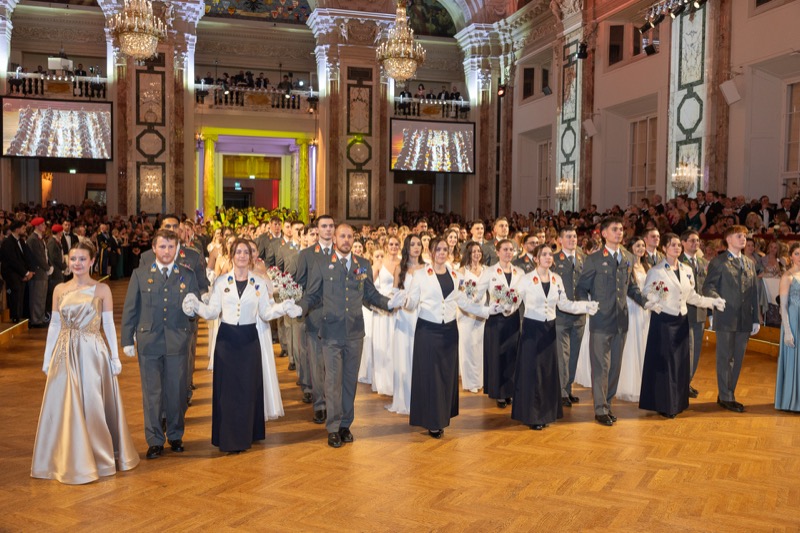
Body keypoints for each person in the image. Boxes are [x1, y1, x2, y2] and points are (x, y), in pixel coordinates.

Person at [31, 241, 140, 484]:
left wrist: (114, 357)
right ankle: (65, 459)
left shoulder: (102, 290)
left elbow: (108, 324)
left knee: (92, 404)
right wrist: (47, 358)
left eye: (82, 259)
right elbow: (55, 325)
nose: (77, 263)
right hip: (64, 352)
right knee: (65, 405)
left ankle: (99, 458)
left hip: (92, 352)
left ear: (92, 261)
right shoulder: (59, 289)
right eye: (73, 259)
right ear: (68, 261)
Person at [296, 224, 404, 448]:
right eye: (342, 236)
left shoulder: (362, 264)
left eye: (349, 236)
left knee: (349, 381)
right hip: (331, 333)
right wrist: (299, 307)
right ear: (335, 239)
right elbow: (313, 294)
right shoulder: (322, 264)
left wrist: (389, 303)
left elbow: (370, 294)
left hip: (354, 332)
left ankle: (346, 424)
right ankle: (333, 427)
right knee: (332, 382)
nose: (346, 240)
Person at [183, 239, 295, 452]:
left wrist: (283, 308)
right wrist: (196, 306)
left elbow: (265, 313)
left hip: (249, 340)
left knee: (247, 390)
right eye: (238, 252)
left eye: (246, 252)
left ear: (251, 257)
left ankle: (246, 436)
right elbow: (212, 312)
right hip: (227, 341)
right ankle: (228, 437)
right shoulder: (221, 282)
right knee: (227, 392)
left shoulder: (258, 282)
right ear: (232, 256)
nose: (242, 255)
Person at [121, 229, 201, 459]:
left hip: (177, 341)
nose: (167, 251)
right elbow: (131, 308)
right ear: (154, 248)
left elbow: (195, 308)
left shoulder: (187, 275)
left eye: (171, 246)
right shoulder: (140, 274)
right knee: (152, 393)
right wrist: (127, 339)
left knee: (176, 392)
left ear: (177, 249)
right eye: (163, 246)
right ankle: (155, 439)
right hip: (149, 341)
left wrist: (193, 311)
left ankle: (175, 435)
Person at [510, 244, 598, 430]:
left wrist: (585, 306)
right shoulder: (525, 279)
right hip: (532, 330)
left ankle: (546, 413)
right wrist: (503, 306)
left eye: (550, 254)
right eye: (544, 254)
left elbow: (564, 304)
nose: (548, 257)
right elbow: (514, 303)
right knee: (533, 373)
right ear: (536, 258)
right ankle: (532, 416)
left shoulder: (556, 279)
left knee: (547, 373)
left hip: (549, 330)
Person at [405, 237, 486, 438]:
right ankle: (432, 420)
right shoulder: (420, 275)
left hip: (449, 331)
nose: (441, 252)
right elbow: (412, 303)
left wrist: (487, 311)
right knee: (430, 376)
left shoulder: (456, 275)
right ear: (431, 253)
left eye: (444, 249)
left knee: (445, 376)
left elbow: (465, 302)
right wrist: (403, 300)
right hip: (428, 331)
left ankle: (441, 417)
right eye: (438, 249)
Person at [638, 233, 723, 418]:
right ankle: (664, 404)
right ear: (664, 248)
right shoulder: (656, 270)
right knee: (665, 364)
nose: (677, 248)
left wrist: (711, 302)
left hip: (681, 320)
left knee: (680, 363)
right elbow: (646, 293)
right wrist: (653, 301)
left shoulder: (686, 269)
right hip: (663, 320)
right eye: (673, 245)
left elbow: (692, 296)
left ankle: (678, 403)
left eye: (678, 245)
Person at [575, 216, 646, 426]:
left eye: (621, 229)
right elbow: (581, 287)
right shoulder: (594, 259)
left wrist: (646, 301)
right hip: (601, 319)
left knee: (615, 366)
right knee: (601, 367)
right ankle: (600, 409)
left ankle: (607, 403)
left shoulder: (627, 257)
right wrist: (586, 305)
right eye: (615, 229)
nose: (619, 232)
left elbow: (631, 287)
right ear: (604, 233)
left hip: (620, 320)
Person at [703, 225, 761, 413]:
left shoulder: (749, 263)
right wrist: (715, 302)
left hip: (744, 318)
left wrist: (756, 318)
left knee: (738, 358)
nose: (743, 239)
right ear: (728, 239)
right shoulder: (719, 262)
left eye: (744, 236)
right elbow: (708, 287)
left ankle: (728, 393)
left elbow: (754, 292)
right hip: (726, 315)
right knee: (725, 358)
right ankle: (726, 396)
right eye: (739, 236)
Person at [295, 215, 336, 424]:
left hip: (338, 318)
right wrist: (302, 308)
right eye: (324, 226)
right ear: (317, 230)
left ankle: (334, 404)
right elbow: (299, 285)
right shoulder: (307, 255)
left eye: (331, 226)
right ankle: (320, 404)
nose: (328, 229)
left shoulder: (342, 253)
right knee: (317, 363)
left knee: (334, 365)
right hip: (316, 316)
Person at [476, 240, 523, 408]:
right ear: (497, 252)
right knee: (497, 356)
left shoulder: (519, 272)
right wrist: (484, 308)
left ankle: (510, 391)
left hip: (513, 318)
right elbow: (476, 293)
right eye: (505, 249)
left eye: (511, 249)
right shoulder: (489, 272)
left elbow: (521, 294)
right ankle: (500, 393)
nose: (508, 252)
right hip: (496, 319)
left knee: (512, 355)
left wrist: (512, 307)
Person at [387, 234, 426, 415]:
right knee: (404, 356)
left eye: (419, 244)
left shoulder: (427, 268)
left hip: (421, 315)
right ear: (407, 248)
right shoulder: (399, 268)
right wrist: (396, 300)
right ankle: (404, 399)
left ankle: (420, 399)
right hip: (403, 316)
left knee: (419, 356)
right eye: (412, 244)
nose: (416, 247)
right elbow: (394, 292)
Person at [551, 226, 586, 406]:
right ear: (560, 240)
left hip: (579, 314)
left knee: (574, 353)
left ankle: (568, 387)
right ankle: (561, 391)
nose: (573, 239)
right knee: (562, 355)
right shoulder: (554, 260)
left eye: (574, 236)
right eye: (568, 236)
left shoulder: (583, 259)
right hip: (561, 314)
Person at [679, 230, 708, 398]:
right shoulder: (678, 261)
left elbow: (706, 287)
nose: (695, 243)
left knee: (696, 350)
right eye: (691, 240)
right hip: (684, 312)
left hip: (700, 312)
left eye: (697, 240)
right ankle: (682, 383)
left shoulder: (703, 262)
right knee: (686, 351)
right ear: (683, 243)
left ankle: (688, 382)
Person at [371, 236, 401, 396]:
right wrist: (377, 302)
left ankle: (396, 382)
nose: (394, 246)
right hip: (381, 308)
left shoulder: (402, 263)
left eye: (396, 244)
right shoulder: (379, 263)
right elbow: (368, 285)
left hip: (397, 308)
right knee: (383, 343)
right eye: (391, 244)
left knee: (395, 344)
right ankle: (383, 382)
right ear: (386, 246)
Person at [457, 241, 486, 393]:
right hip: (466, 314)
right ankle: (470, 382)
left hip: (482, 314)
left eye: (478, 251)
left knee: (479, 347)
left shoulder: (486, 270)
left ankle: (480, 381)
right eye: (474, 251)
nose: (477, 254)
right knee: (467, 347)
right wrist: (468, 308)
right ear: (468, 253)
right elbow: (459, 292)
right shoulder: (462, 271)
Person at [776, 242, 800, 412]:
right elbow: (783, 307)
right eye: (797, 253)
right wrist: (788, 332)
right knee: (794, 358)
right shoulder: (787, 276)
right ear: (790, 256)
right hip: (793, 320)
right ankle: (792, 401)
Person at [0, 220, 33, 323]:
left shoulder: (21, 241)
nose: (25, 230)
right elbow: (13, 261)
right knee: (15, 294)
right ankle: (15, 317)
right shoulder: (7, 242)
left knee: (21, 296)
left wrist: (29, 271)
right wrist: (25, 273)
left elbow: (27, 257)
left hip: (20, 273)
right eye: (23, 228)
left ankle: (19, 317)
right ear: (17, 229)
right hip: (11, 273)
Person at [26, 217, 52, 328]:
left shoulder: (39, 238)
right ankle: (36, 320)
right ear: (37, 226)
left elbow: (45, 255)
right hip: (38, 271)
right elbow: (38, 257)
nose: (45, 226)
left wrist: (48, 266)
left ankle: (40, 318)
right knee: (36, 297)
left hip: (42, 272)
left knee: (41, 297)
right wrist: (47, 267)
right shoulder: (33, 239)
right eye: (43, 224)